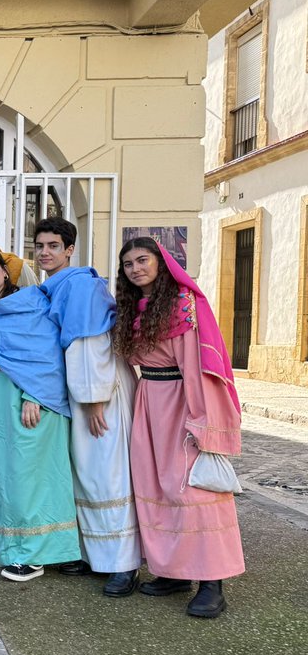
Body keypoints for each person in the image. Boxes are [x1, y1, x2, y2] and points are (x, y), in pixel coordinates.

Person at [114, 237, 244, 618]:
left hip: (181, 400)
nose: (136, 268)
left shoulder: (182, 306)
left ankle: (212, 583)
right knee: (156, 488)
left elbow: (195, 366)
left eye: (143, 260)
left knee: (193, 490)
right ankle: (174, 571)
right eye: (128, 264)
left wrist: (202, 421)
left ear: (162, 262)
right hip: (148, 400)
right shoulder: (133, 309)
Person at [35, 218, 141, 597]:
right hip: (82, 390)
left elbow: (90, 345)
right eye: (40, 246)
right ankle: (94, 553)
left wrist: (95, 401)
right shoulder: (58, 285)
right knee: (85, 471)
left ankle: (123, 563)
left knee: (107, 472)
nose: (45, 252)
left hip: (99, 391)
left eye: (53, 246)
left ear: (69, 250)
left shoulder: (80, 286)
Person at [0, 249, 80, 581]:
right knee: (3, 478)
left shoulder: (32, 304)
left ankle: (33, 555)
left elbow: (48, 351)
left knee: (30, 478)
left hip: (30, 399)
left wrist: (35, 395)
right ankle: (7, 548)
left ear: (5, 273)